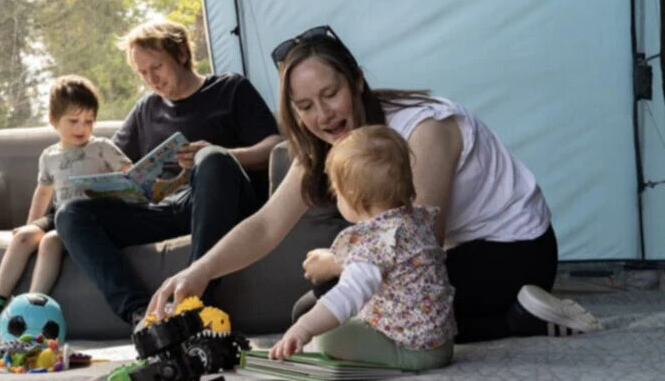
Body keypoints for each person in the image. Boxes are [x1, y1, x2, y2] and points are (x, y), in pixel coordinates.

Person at [149, 24, 598, 342]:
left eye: (331, 94)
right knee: (313, 311)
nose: (323, 115)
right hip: (445, 254)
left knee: (356, 318)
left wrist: (339, 259)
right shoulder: (323, 145)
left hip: (513, 251)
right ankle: (505, 315)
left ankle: (521, 318)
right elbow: (267, 225)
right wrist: (199, 271)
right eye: (305, 106)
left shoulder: (424, 128)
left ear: (357, 82)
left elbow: (421, 244)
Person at [54, 20, 282, 330]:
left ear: (182, 54)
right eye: (142, 73)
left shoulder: (230, 88)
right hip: (165, 208)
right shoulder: (146, 108)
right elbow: (108, 163)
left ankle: (194, 304)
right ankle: (142, 316)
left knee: (212, 159)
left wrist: (223, 152)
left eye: (156, 67)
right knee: (70, 214)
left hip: (222, 201)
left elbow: (274, 145)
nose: (151, 79)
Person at [269, 125, 456, 371]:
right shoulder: (415, 221)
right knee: (344, 318)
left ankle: (393, 358)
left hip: (413, 349)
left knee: (328, 335)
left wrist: (303, 328)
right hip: (441, 343)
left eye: (336, 193)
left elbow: (347, 294)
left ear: (351, 196)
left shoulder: (372, 242)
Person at [0, 75, 131, 344]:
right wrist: (31, 224)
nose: (82, 128)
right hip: (58, 213)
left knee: (51, 241)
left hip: (88, 218)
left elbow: (129, 174)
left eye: (89, 121)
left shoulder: (102, 148)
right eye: (73, 121)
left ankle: (26, 312)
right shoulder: (49, 155)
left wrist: (125, 182)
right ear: (53, 121)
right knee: (23, 237)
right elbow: (43, 192)